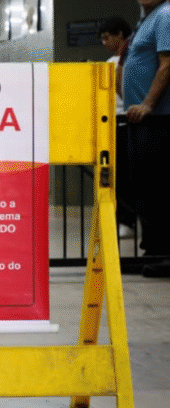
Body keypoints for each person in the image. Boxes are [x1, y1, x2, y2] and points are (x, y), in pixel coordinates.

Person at [122, 0, 170, 276]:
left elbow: (166, 65)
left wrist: (149, 104)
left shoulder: (165, 16)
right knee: (143, 189)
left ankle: (163, 253)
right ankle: (152, 249)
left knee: (158, 189)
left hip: (157, 119)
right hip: (139, 119)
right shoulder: (145, 20)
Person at [98, 17, 137, 238]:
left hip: (121, 121)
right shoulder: (117, 62)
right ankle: (125, 219)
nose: (104, 42)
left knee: (122, 176)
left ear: (120, 35)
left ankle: (127, 220)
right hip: (117, 121)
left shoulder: (117, 63)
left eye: (107, 37)